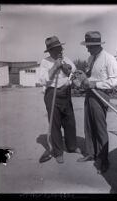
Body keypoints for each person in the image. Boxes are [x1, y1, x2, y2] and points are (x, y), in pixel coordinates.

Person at [77, 31, 117, 174]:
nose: (87, 49)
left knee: (100, 128)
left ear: (96, 45)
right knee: (88, 125)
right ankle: (91, 153)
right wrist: (83, 77)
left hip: (101, 95)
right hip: (90, 94)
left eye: (89, 46)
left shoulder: (109, 59)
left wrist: (95, 84)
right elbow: (90, 76)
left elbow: (115, 81)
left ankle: (104, 160)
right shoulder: (90, 58)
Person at [39, 36, 80, 164]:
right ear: (50, 51)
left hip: (66, 93)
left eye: (60, 48)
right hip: (52, 94)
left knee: (70, 121)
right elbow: (42, 79)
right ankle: (57, 152)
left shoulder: (66, 59)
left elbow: (73, 72)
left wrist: (69, 72)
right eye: (56, 49)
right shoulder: (45, 62)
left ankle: (72, 146)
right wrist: (54, 67)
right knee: (55, 123)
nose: (60, 51)